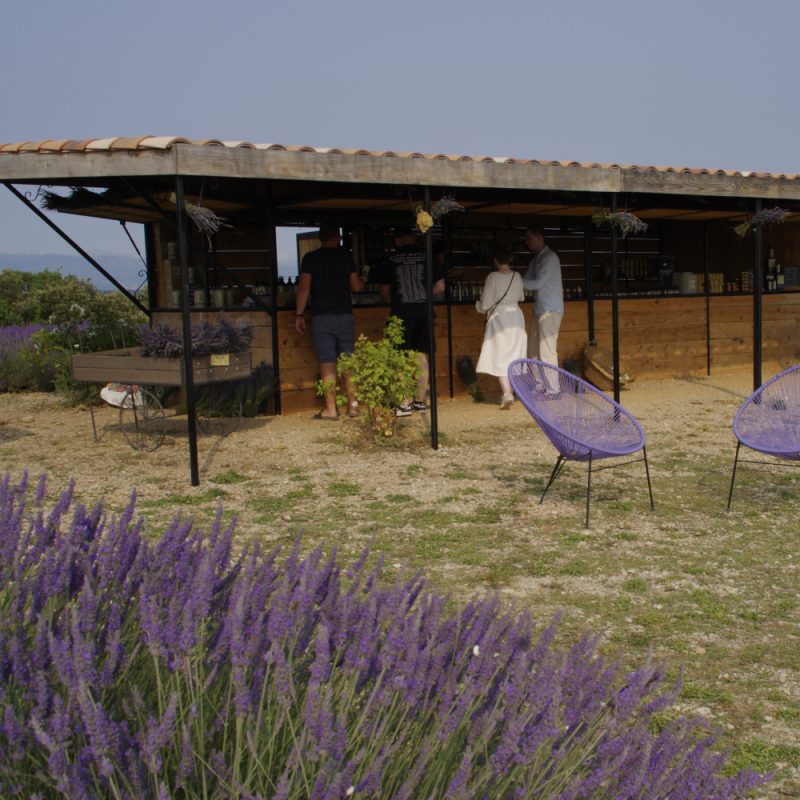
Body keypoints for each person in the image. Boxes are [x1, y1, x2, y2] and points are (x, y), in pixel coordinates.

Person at [295, 225, 364, 419]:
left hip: (322, 317)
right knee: (347, 362)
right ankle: (353, 406)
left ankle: (331, 409)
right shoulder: (345, 258)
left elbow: (303, 289)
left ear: (320, 238)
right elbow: (356, 286)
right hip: (344, 315)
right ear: (338, 238)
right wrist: (364, 278)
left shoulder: (310, 258)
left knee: (327, 362)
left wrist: (299, 315)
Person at [377, 226, 445, 416]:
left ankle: (404, 403)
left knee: (400, 355)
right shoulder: (428, 256)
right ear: (413, 238)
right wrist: (424, 296)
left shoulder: (390, 259)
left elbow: (384, 291)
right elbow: (440, 287)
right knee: (421, 355)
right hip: (424, 311)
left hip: (401, 313)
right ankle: (420, 401)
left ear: (397, 240)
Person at [475, 243, 527, 409]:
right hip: (516, 317)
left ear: (495, 260)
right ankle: (510, 392)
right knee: (514, 356)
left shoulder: (492, 277)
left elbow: (485, 304)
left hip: (500, 319)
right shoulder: (517, 276)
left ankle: (507, 393)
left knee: (500, 356)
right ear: (510, 259)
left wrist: (478, 306)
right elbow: (521, 296)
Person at [522, 224, 563, 391]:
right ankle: (540, 384)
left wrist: (512, 281)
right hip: (539, 309)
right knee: (532, 350)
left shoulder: (550, 258)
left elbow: (537, 283)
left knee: (547, 350)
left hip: (551, 309)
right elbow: (526, 281)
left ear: (540, 238)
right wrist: (513, 281)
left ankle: (554, 388)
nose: (527, 242)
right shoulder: (536, 259)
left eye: (529, 238)